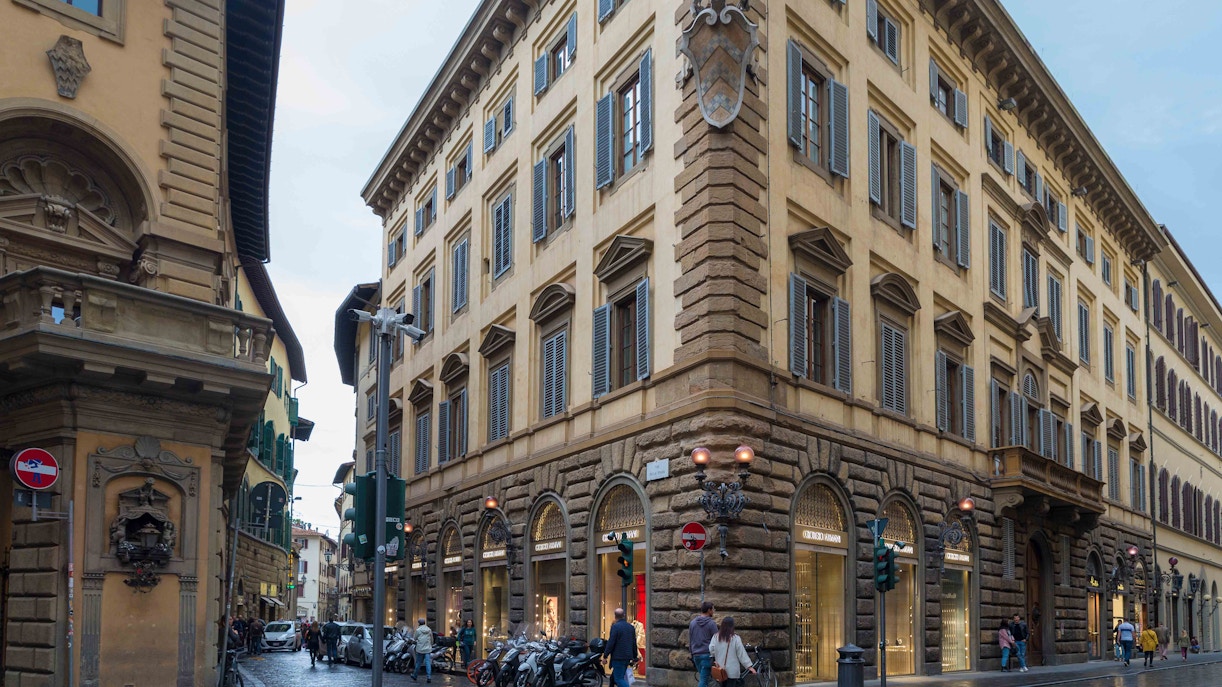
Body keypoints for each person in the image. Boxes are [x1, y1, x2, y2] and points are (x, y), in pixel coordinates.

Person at [708, 617, 755, 687]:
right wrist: (749, 666)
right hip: (732, 670)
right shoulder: (735, 638)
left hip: (720, 669)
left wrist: (717, 656)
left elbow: (711, 649)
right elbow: (741, 653)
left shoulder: (716, 637)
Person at [603, 608, 638, 687]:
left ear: (615, 616)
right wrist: (635, 657)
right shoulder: (631, 627)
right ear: (624, 616)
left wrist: (605, 655)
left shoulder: (615, 627)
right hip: (627, 657)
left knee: (619, 679)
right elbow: (634, 643)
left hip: (618, 657)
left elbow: (611, 642)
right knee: (613, 678)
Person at [689, 602, 718, 687]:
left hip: (696, 655)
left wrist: (692, 653)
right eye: (713, 609)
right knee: (704, 680)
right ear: (709, 610)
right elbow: (716, 640)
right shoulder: (711, 623)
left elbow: (691, 640)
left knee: (706, 679)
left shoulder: (692, 623)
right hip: (707, 655)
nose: (714, 611)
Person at [413, 618, 434, 682]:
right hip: (427, 649)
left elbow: (415, 638)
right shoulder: (429, 629)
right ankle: (429, 677)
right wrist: (431, 644)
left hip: (420, 649)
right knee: (428, 663)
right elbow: (431, 639)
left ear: (419, 623)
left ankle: (415, 675)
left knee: (418, 663)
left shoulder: (418, 630)